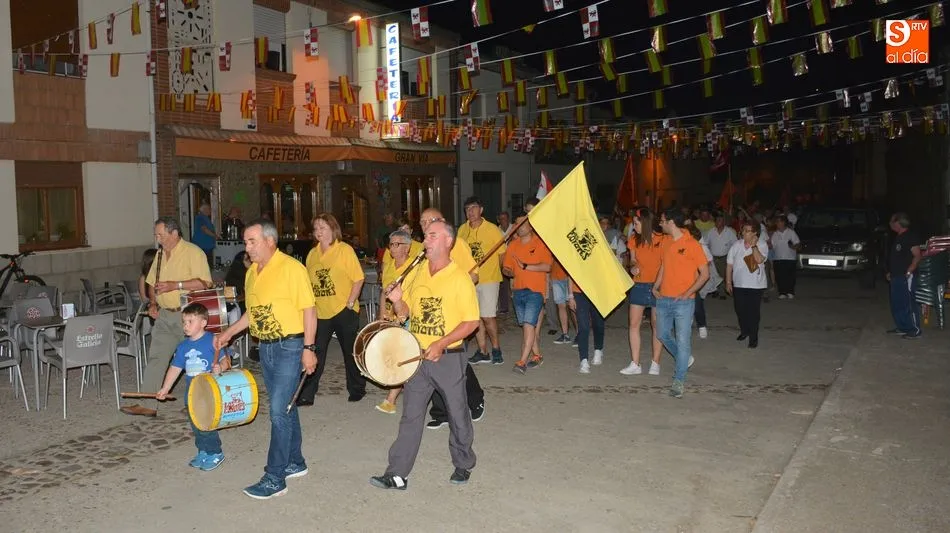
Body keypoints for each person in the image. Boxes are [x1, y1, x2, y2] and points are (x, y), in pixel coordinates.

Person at [370, 221, 480, 490]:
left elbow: (471, 322)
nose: (426, 241)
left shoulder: (459, 277)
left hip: (448, 357)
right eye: (426, 236)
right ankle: (397, 473)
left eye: (432, 236)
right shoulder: (418, 271)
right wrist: (397, 300)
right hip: (417, 356)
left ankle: (463, 463)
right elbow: (406, 311)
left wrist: (442, 343)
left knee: (456, 412)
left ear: (447, 242)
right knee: (411, 415)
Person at [215, 218, 317, 500]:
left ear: (270, 241)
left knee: (277, 411)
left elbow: (309, 309)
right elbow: (252, 314)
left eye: (252, 241)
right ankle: (295, 461)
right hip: (267, 348)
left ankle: (275, 477)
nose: (247, 247)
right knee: (285, 407)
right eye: (246, 242)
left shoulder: (291, 268)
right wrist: (229, 333)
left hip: (290, 346)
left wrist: (309, 348)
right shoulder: (252, 273)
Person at [121, 217, 212, 417]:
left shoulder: (193, 252)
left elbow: (205, 283)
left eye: (160, 234)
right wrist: (153, 304)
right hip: (165, 315)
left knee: (195, 360)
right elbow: (152, 283)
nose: (157, 238)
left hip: (187, 316)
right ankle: (148, 403)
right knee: (157, 358)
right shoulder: (160, 255)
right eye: (156, 234)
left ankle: (199, 402)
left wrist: (175, 285)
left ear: (174, 233)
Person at [297, 213, 366, 405]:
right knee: (314, 352)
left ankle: (357, 388)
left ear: (333, 229)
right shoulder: (312, 254)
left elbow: (358, 278)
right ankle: (307, 393)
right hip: (320, 312)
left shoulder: (344, 250)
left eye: (323, 228)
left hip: (344, 309)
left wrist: (350, 302)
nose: (319, 232)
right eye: (316, 228)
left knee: (350, 352)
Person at [156, 303, 230, 471]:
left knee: (206, 424)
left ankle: (215, 452)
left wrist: (222, 367)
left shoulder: (213, 341)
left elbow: (226, 360)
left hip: (209, 392)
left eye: (190, 321)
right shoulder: (183, 347)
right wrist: (165, 388)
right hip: (192, 394)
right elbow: (175, 369)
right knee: (196, 424)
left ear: (203, 322)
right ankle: (203, 450)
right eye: (184, 322)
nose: (185, 326)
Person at [653, 209, 709, 398]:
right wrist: (656, 286)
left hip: (684, 302)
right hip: (664, 298)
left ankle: (679, 380)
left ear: (671, 222)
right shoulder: (666, 242)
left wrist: (687, 293)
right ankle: (684, 360)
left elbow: (705, 274)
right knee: (661, 334)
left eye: (662, 221)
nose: (660, 224)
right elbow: (663, 266)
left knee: (683, 341)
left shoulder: (692, 244)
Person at [458, 196, 506, 366]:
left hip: (489, 279)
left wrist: (497, 271)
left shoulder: (492, 229)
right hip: (469, 280)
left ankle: (496, 348)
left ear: (481, 210)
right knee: (475, 317)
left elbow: (501, 254)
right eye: (467, 209)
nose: (470, 212)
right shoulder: (462, 230)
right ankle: (482, 351)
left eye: (473, 207)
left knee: (488, 316)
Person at [503, 216, 553, 375]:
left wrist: (525, 266)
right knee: (526, 326)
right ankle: (537, 356)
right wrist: (508, 271)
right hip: (518, 291)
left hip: (535, 291)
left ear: (531, 226)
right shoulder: (513, 245)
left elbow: (547, 266)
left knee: (528, 325)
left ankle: (522, 361)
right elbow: (507, 268)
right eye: (517, 223)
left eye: (523, 223)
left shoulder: (540, 243)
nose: (519, 225)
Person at [376, 229, 416, 415]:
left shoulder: (415, 267)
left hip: (410, 317)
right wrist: (382, 315)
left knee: (403, 358)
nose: (392, 248)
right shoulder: (389, 266)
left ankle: (391, 399)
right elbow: (384, 293)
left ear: (407, 247)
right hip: (393, 317)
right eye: (390, 244)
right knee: (398, 358)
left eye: (396, 244)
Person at [621, 208, 666, 375]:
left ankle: (655, 362)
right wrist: (633, 267)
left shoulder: (663, 239)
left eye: (636, 223)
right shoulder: (634, 239)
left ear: (645, 222)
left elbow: (665, 264)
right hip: (639, 285)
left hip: (658, 285)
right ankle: (635, 363)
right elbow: (632, 260)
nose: (634, 226)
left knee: (656, 324)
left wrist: (658, 284)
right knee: (633, 324)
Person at [726, 223, 768, 349]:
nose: (743, 233)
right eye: (743, 230)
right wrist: (728, 282)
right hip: (739, 283)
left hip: (755, 285)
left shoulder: (761, 244)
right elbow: (729, 264)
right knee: (740, 310)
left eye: (747, 231)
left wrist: (754, 246)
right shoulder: (736, 244)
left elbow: (759, 260)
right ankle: (745, 331)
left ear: (755, 233)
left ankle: (753, 337)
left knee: (753, 312)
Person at [886, 212, 923, 339]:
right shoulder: (899, 237)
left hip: (906, 276)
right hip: (896, 276)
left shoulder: (910, 236)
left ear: (898, 222)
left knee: (908, 303)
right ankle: (903, 327)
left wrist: (909, 271)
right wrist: (891, 272)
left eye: (892, 221)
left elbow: (917, 256)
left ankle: (915, 329)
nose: (890, 223)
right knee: (897, 303)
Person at [568, 278, 604, 374]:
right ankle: (584, 360)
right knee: (583, 326)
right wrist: (571, 296)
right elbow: (570, 273)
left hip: (597, 291)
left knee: (598, 323)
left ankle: (598, 349)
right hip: (579, 292)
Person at [705, 213, 738, 299]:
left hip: (724, 257)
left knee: (723, 275)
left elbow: (735, 244)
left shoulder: (729, 232)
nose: (718, 222)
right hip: (713, 258)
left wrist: (733, 256)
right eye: (717, 221)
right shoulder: (711, 231)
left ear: (724, 222)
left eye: (720, 221)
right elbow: (705, 243)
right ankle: (715, 290)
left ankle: (723, 293)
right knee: (713, 276)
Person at [770, 216, 800, 299]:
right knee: (780, 276)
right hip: (778, 258)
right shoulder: (775, 234)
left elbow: (797, 243)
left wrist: (794, 246)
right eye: (777, 222)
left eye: (779, 222)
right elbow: (772, 246)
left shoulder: (791, 232)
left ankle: (790, 291)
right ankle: (782, 292)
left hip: (790, 258)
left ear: (784, 223)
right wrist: (768, 243)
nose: (777, 224)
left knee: (790, 276)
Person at [550, 259, 574, 345]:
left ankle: (580, 334)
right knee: (561, 306)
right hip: (555, 277)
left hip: (570, 277)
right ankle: (565, 334)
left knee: (573, 306)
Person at [497, 211, 512, 315]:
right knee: (503, 284)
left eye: (505, 219)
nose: (504, 221)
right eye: (502, 219)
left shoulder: (514, 228)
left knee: (514, 285)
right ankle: (504, 307)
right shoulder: (496, 230)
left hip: (514, 260)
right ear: (499, 220)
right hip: (502, 259)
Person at [193, 203, 217, 268]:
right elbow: (204, 229)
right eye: (209, 209)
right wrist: (215, 236)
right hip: (202, 247)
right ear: (204, 210)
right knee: (205, 267)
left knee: (208, 266)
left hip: (207, 247)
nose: (210, 210)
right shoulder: (200, 218)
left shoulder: (205, 218)